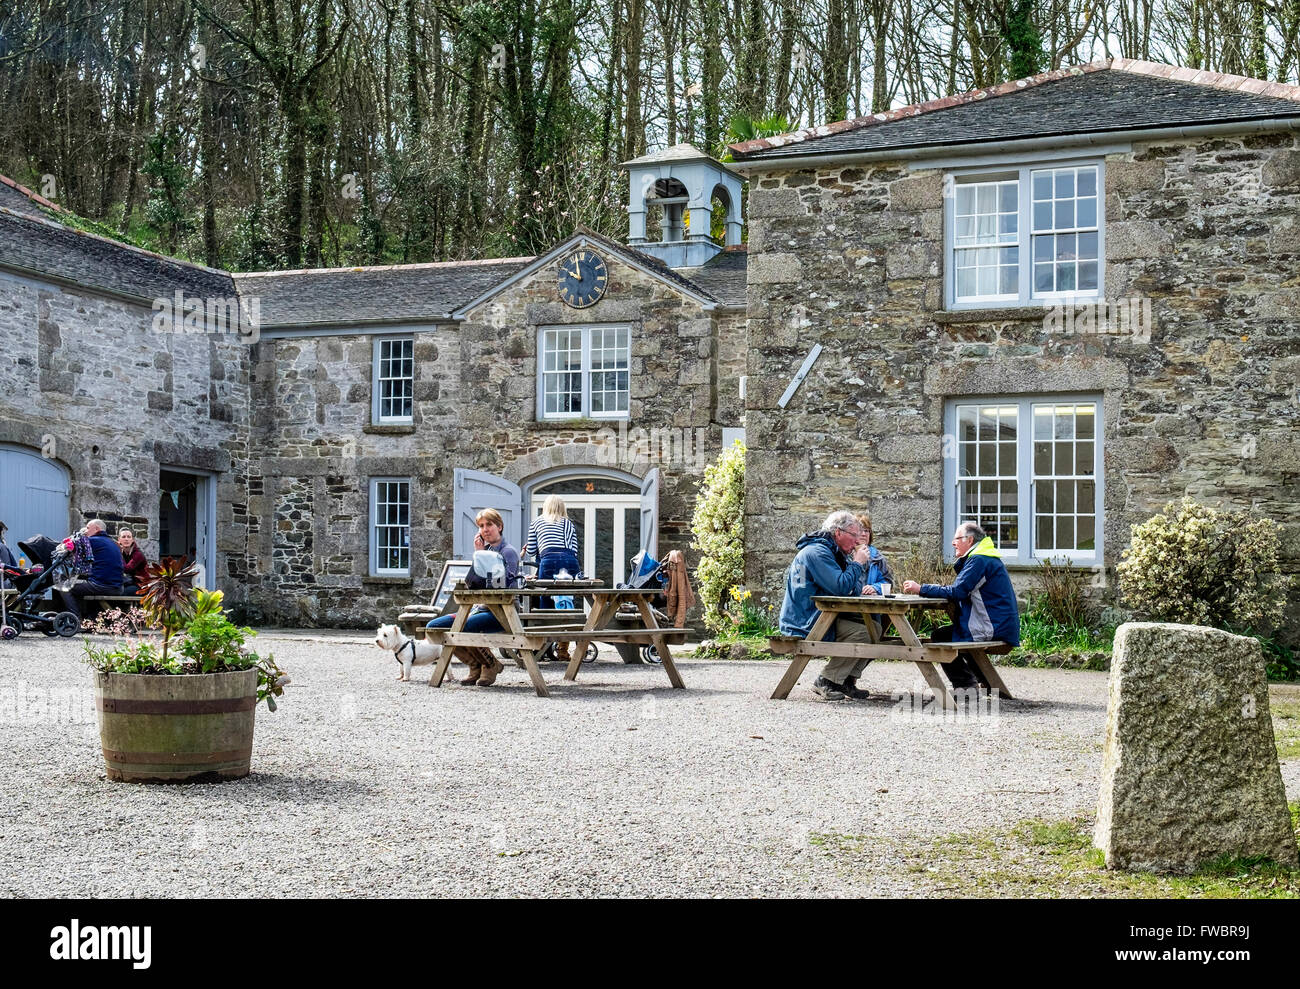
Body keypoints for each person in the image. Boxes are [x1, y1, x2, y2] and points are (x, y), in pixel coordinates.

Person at [902, 521, 1021, 689]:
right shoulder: (984, 557)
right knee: (956, 633)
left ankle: (966, 685)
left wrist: (921, 588)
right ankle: (984, 681)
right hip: (1000, 625)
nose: (953, 542)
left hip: (993, 627)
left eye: (957, 538)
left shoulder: (979, 560)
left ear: (970, 540)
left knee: (942, 637)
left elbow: (957, 591)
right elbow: (960, 590)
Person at [778, 510, 878, 702]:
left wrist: (855, 564)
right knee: (864, 632)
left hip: (821, 615)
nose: (858, 541)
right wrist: (857, 564)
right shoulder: (817, 553)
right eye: (854, 535)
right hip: (805, 621)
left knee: (876, 624)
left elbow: (852, 590)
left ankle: (846, 679)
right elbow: (840, 587)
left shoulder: (834, 553)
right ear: (838, 533)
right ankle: (827, 681)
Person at [426, 509, 519, 686]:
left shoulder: (508, 552)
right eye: (481, 526)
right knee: (434, 626)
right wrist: (479, 555)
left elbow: (500, 586)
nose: (485, 529)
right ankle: (475, 664)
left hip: (502, 613)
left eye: (489, 525)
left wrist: (484, 558)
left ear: (499, 526)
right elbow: (472, 583)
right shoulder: (485, 551)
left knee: (461, 626)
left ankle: (489, 664)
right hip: (481, 609)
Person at [525, 495, 581, 663]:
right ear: (562, 508)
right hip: (569, 560)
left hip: (548, 560)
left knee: (546, 599)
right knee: (567, 601)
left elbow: (532, 550)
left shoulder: (536, 522)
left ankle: (542, 647)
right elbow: (574, 549)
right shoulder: (568, 523)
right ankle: (563, 650)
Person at [56, 519, 124, 620]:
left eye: (88, 528)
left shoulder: (92, 541)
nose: (85, 531)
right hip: (118, 587)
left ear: (97, 529)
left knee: (64, 586)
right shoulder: (112, 543)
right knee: (78, 585)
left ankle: (75, 620)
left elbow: (69, 547)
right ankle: (86, 618)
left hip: (103, 585)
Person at [118, 527, 148, 593]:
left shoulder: (138, 554)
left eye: (129, 537)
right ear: (119, 540)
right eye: (123, 537)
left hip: (142, 586)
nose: (126, 539)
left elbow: (127, 569)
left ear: (132, 540)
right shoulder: (123, 553)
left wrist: (118, 552)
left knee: (120, 592)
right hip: (130, 583)